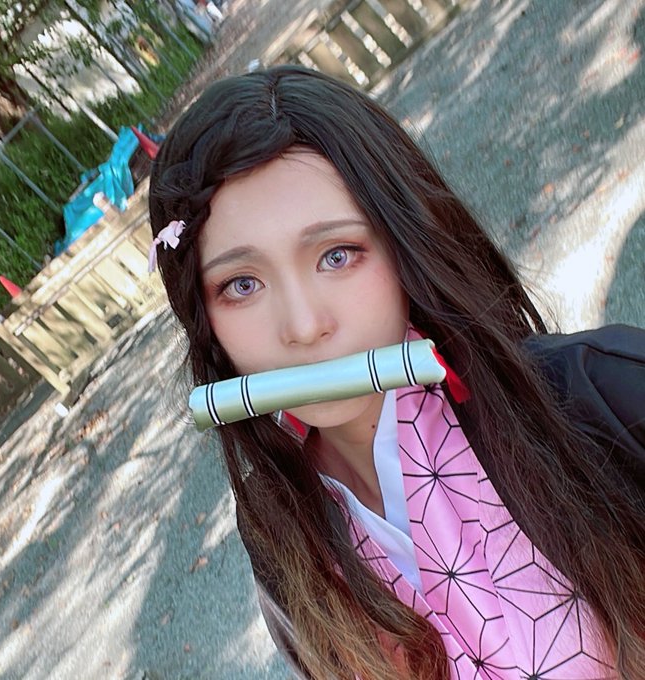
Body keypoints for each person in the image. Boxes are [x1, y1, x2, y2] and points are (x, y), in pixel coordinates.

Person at [148, 65, 645, 679]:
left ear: (401, 243)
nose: (303, 325)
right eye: (241, 284)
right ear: (205, 321)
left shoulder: (601, 394)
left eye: (337, 255)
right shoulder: (283, 541)